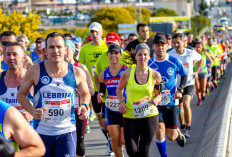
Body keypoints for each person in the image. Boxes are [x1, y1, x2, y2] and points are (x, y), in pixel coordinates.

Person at [17, 32, 91, 157]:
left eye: (59, 47)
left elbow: (85, 93)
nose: (55, 51)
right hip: (41, 132)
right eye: (51, 47)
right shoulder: (35, 71)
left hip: (66, 131)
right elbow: (21, 95)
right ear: (45, 51)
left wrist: (84, 105)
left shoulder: (77, 72)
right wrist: (32, 111)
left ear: (66, 49)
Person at [117, 43, 161, 157]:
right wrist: (121, 102)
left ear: (149, 56)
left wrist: (156, 99)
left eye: (145, 54)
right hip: (131, 116)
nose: (143, 57)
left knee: (144, 151)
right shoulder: (127, 73)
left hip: (149, 116)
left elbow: (159, 94)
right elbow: (119, 89)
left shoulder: (155, 75)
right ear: (135, 56)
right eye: (140, 54)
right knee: (132, 150)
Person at [148, 34, 187, 157]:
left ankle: (178, 134)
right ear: (153, 47)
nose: (160, 47)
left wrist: (180, 90)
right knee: (159, 132)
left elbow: (184, 75)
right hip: (156, 103)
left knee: (171, 136)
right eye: (157, 45)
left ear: (167, 46)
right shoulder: (149, 63)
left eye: (162, 45)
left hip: (171, 103)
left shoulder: (174, 61)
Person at [78, 22, 110, 154]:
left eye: (97, 31)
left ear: (102, 32)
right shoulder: (85, 48)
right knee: (101, 119)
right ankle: (109, 138)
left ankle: (113, 140)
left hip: (110, 87)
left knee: (111, 118)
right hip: (93, 88)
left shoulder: (107, 46)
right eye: (92, 32)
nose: (94, 34)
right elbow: (80, 67)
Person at [169, 33, 203, 138]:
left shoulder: (190, 53)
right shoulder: (170, 54)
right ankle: (183, 125)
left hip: (189, 83)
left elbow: (200, 59)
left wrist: (196, 71)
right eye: (174, 43)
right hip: (176, 85)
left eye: (178, 42)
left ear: (184, 42)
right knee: (179, 107)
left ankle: (188, 128)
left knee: (186, 104)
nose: (176, 45)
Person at [64, 38, 94, 157]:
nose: (65, 53)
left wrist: (80, 89)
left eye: (68, 50)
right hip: (64, 110)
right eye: (63, 49)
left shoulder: (81, 68)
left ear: (74, 52)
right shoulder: (57, 69)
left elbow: (91, 90)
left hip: (79, 109)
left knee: (79, 143)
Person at [97, 44, 126, 157]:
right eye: (111, 53)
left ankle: (121, 150)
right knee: (114, 138)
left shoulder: (126, 71)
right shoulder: (104, 74)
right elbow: (103, 89)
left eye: (116, 53)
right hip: (111, 109)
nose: (113, 55)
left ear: (120, 55)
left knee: (123, 140)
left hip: (124, 109)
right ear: (108, 55)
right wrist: (100, 94)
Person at [0, 42, 34, 123]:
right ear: (4, 58)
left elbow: (45, 104)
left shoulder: (33, 78)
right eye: (8, 54)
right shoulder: (0, 77)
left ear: (23, 57)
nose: (11, 57)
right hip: (5, 131)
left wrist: (32, 114)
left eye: (15, 54)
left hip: (27, 130)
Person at [194, 38, 213, 105]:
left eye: (199, 47)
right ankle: (199, 100)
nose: (198, 48)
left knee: (203, 88)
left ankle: (203, 92)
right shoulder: (193, 54)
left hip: (204, 72)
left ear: (201, 47)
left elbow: (211, 60)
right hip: (196, 73)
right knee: (197, 87)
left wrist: (210, 67)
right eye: (196, 47)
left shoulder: (204, 53)